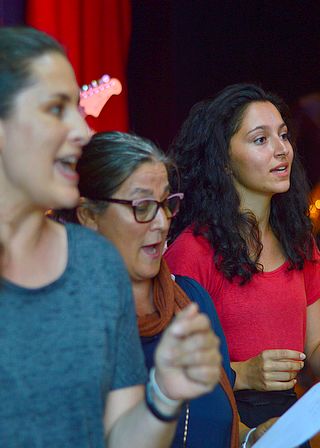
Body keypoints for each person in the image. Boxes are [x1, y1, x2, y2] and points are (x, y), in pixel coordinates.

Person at [0, 26, 222, 448]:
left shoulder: (97, 264)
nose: (82, 131)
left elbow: (121, 436)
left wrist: (163, 395)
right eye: (54, 108)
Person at [55, 130, 275, 447]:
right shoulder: (64, 324)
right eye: (143, 206)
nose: (161, 222)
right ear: (89, 215)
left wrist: (250, 437)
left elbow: (213, 420)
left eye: (166, 203)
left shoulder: (189, 301)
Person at [164, 83, 320, 436]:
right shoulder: (191, 252)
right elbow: (167, 374)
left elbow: (314, 347)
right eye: (260, 139)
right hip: (225, 422)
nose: (282, 150)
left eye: (283, 135)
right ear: (223, 159)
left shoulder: (298, 240)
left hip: (287, 422)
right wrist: (241, 373)